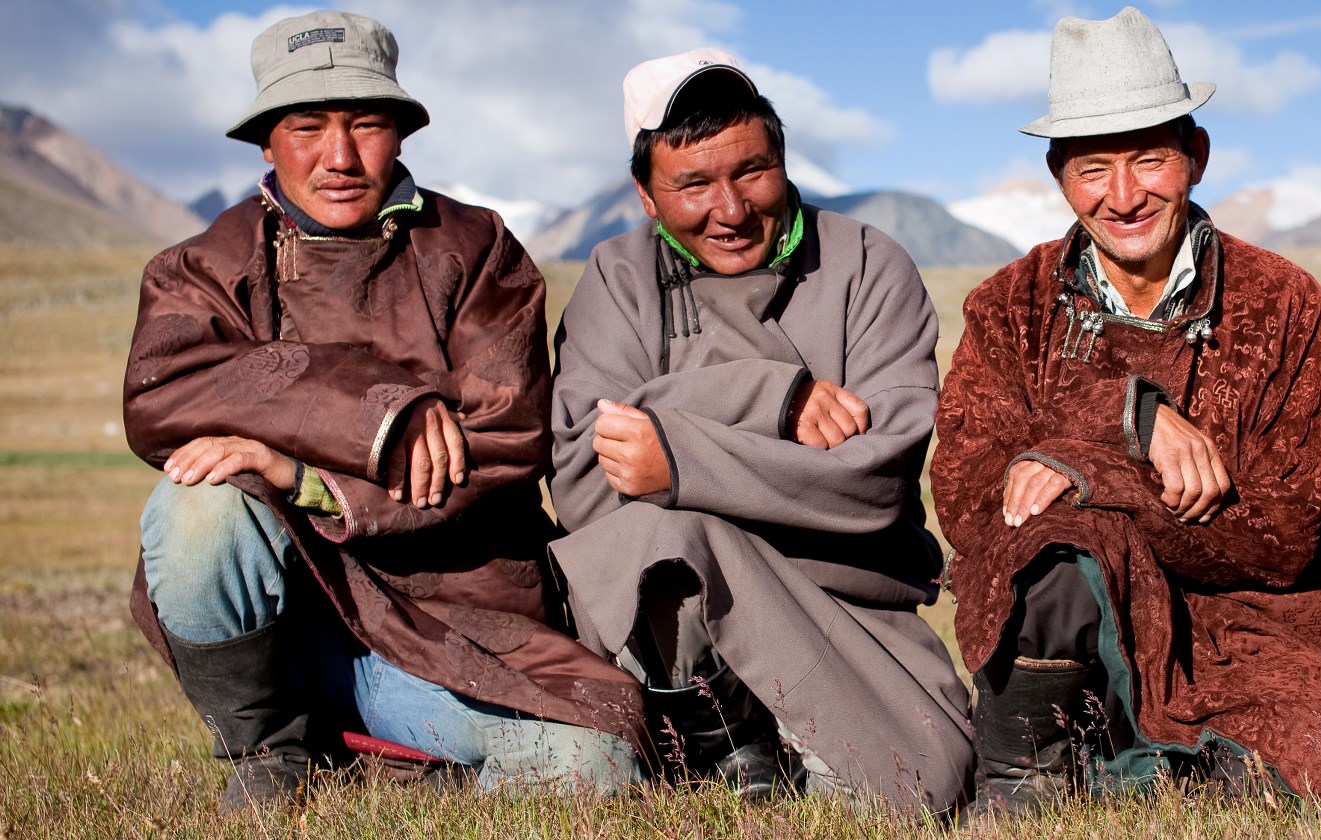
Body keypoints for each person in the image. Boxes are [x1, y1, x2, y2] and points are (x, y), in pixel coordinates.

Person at [123, 11, 646, 813]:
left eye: (366, 124)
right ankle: (266, 746)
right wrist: (375, 408)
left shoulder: (478, 252)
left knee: (594, 763)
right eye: (307, 127)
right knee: (198, 506)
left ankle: (369, 747)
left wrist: (303, 473)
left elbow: (503, 440)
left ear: (400, 133)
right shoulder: (201, 268)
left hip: (453, 622)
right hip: (288, 631)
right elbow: (160, 392)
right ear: (268, 141)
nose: (338, 156)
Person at [931, 8, 1321, 816]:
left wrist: (1090, 466)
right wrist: (1126, 420)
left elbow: (1286, 533)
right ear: (1060, 174)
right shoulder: (1007, 309)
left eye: (1149, 160)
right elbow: (967, 497)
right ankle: (1025, 776)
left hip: (1241, 632)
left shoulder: (1284, 303)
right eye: (1095, 167)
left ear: (1195, 157)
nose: (1124, 195)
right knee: (1053, 540)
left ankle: (1128, 759)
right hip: (1072, 635)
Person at [544, 49, 972, 815]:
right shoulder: (615, 278)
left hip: (843, 607)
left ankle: (782, 737)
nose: (732, 209)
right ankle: (717, 744)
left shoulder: (869, 265)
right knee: (655, 542)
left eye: (751, 171)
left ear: (781, 157)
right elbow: (584, 483)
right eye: (693, 184)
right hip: (673, 625)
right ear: (645, 194)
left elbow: (872, 484)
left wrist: (673, 454)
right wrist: (771, 397)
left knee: (924, 785)